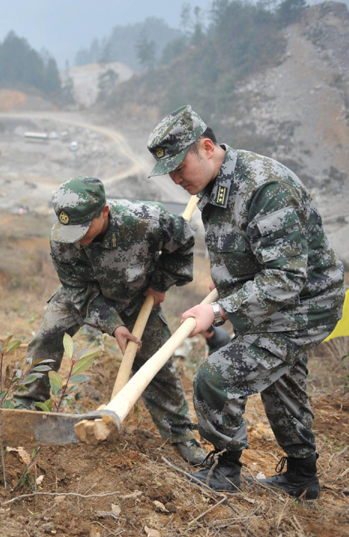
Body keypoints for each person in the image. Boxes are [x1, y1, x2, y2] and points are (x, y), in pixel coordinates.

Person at [146, 105, 345, 499]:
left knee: (217, 377)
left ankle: (226, 468)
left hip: (305, 304)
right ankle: (303, 478)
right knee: (281, 383)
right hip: (266, 300)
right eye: (167, 170)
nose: (174, 178)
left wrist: (217, 311)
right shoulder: (210, 183)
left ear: (206, 147)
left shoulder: (264, 187)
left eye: (179, 166)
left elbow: (286, 278)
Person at [18, 176, 206, 465]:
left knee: (157, 365)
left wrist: (160, 283)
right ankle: (26, 408)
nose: (76, 238)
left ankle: (180, 435)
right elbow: (78, 289)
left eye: (83, 229)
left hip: (135, 296)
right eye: (69, 230)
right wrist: (113, 324)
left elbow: (184, 240)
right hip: (84, 295)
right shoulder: (62, 238)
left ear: (104, 212)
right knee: (47, 337)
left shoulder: (145, 220)